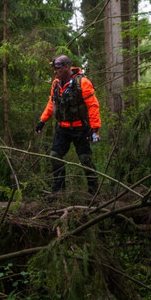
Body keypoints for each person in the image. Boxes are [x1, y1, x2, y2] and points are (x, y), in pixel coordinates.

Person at [35, 55, 101, 196]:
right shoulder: (56, 84)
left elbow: (93, 105)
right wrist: (42, 120)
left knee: (85, 159)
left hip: (80, 128)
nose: (55, 71)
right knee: (54, 156)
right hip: (62, 128)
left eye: (57, 68)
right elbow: (51, 104)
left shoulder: (82, 82)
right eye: (54, 68)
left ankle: (93, 191)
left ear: (66, 67)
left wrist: (94, 129)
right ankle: (59, 191)